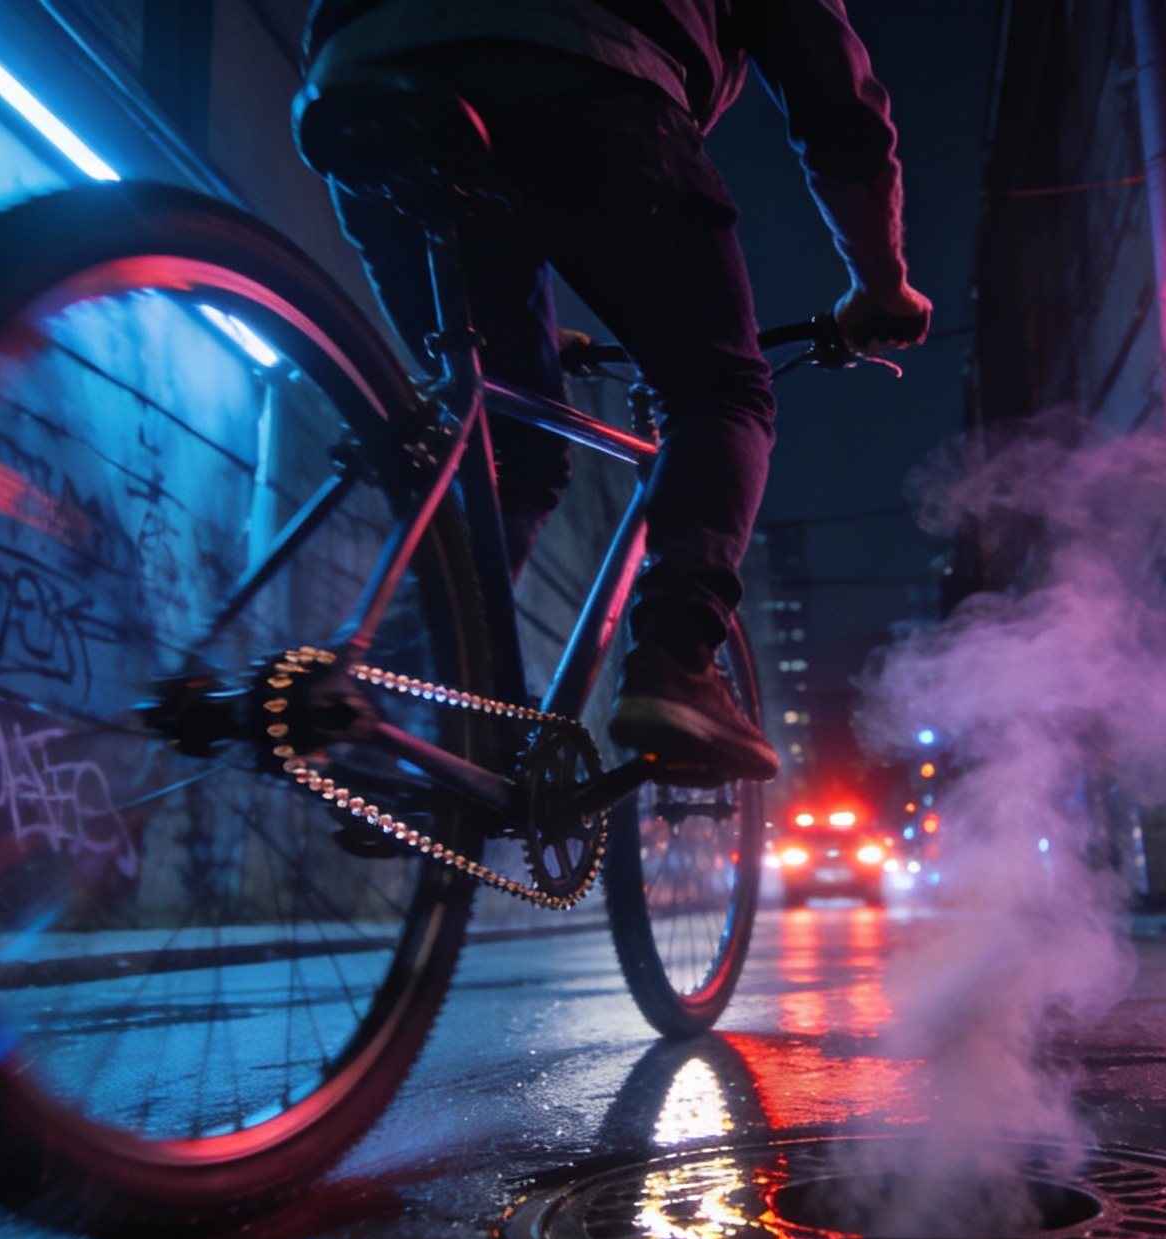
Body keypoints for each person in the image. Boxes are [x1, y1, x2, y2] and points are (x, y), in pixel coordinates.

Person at [297, 0, 931, 783]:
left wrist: (532, 335)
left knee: (509, 453)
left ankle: (385, 688)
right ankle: (677, 664)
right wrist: (880, 281)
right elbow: (832, 93)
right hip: (583, 65)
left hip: (359, 87)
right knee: (719, 393)